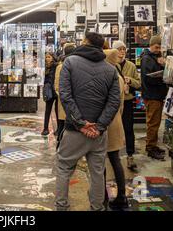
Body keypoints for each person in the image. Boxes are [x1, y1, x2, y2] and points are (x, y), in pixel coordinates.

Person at [56, 32, 120, 211]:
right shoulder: (110, 69)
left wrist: (80, 123)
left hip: (74, 131)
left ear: (85, 42)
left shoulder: (69, 62)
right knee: (97, 173)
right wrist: (99, 126)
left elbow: (65, 95)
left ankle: (61, 206)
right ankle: (97, 207)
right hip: (98, 134)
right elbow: (114, 102)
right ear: (102, 47)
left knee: (64, 168)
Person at [104, 49, 128, 209]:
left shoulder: (109, 76)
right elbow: (121, 104)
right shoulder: (118, 76)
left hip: (107, 123)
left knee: (100, 161)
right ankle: (121, 195)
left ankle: (105, 196)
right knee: (115, 159)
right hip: (116, 121)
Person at [112, 40, 141, 171]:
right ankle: (114, 155)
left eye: (124, 49)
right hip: (114, 102)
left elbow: (139, 83)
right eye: (119, 49)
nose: (122, 52)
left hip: (128, 101)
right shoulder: (110, 65)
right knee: (114, 129)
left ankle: (130, 155)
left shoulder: (131, 65)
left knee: (128, 129)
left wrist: (130, 81)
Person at [141, 35, 168, 160]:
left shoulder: (154, 57)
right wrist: (161, 76)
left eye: (160, 47)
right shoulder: (147, 59)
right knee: (153, 123)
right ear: (151, 45)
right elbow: (148, 78)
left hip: (156, 94)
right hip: (152, 95)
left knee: (155, 122)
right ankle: (150, 147)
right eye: (156, 47)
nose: (158, 50)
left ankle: (153, 145)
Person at [54, 43, 76, 139]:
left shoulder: (75, 65)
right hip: (65, 101)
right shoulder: (61, 66)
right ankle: (60, 144)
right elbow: (57, 86)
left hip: (71, 102)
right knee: (63, 126)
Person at [42, 52, 58, 136]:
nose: (47, 58)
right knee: (47, 110)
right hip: (48, 91)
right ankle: (45, 128)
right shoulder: (44, 67)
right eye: (46, 57)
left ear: (52, 57)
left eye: (49, 57)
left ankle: (58, 129)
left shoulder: (56, 66)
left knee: (57, 110)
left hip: (56, 90)